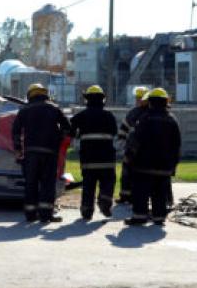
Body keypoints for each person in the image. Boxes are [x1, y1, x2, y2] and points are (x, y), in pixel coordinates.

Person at [12, 83, 71, 223]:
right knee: (48, 184)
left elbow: (15, 130)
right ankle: (46, 215)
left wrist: (18, 149)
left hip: (31, 153)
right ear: (45, 94)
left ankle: (30, 215)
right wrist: (58, 139)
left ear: (30, 96)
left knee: (30, 183)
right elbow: (68, 128)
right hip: (50, 153)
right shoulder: (54, 108)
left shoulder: (24, 110)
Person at [124, 88, 181, 226]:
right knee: (160, 193)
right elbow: (176, 146)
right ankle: (159, 217)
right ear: (166, 102)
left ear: (150, 102)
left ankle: (139, 216)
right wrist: (173, 166)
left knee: (140, 191)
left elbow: (135, 141)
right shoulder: (172, 120)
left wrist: (130, 158)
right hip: (163, 167)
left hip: (143, 166)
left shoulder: (145, 119)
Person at [70, 85, 118, 220]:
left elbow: (70, 131)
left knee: (88, 185)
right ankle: (105, 202)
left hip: (88, 159)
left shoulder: (80, 116)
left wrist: (79, 133)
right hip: (107, 159)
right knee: (108, 182)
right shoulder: (109, 116)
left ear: (87, 100)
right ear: (103, 100)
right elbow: (114, 132)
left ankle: (86, 211)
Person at [116, 86, 148, 204]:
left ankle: (134, 197)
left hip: (138, 150)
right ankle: (125, 196)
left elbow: (123, 132)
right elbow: (123, 131)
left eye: (140, 98)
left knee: (133, 174)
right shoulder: (134, 112)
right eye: (137, 98)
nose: (138, 100)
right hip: (132, 149)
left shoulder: (138, 113)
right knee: (126, 173)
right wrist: (123, 146)